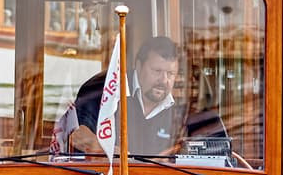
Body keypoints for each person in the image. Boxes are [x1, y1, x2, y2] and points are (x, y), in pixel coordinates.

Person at [54, 36, 185, 156]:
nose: (164, 80)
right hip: (102, 174)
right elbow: (76, 134)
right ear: (139, 66)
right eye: (157, 71)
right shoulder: (105, 89)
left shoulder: (177, 113)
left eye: (171, 74)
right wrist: (105, 150)